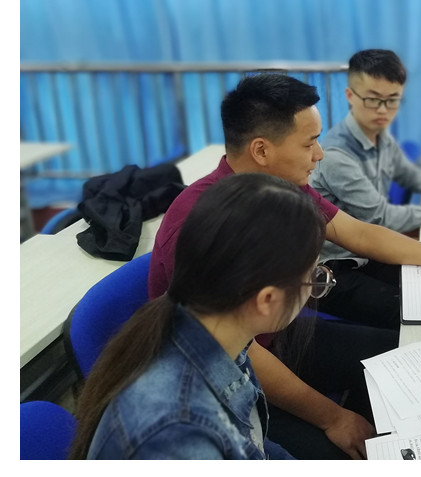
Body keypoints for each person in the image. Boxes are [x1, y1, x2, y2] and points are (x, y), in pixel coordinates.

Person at [148, 73, 421, 455]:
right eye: (309, 142)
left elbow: (357, 233)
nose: (320, 154)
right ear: (261, 150)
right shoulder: (203, 223)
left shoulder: (282, 185)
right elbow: (236, 349)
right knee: (344, 452)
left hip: (275, 334)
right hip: (223, 375)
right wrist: (333, 418)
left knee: (405, 358)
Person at [70, 173, 329, 459]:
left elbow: (251, 444)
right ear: (267, 300)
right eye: (313, 276)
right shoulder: (177, 432)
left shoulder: (220, 335)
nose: (315, 287)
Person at [311, 49, 421, 327]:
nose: (383, 110)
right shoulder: (336, 155)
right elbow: (381, 218)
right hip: (337, 267)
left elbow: (407, 173)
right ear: (350, 95)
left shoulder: (379, 135)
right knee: (419, 312)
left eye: (392, 100)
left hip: (371, 251)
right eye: (373, 99)